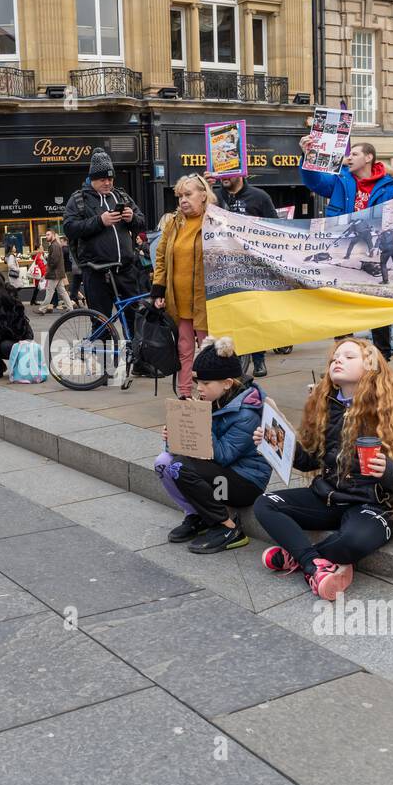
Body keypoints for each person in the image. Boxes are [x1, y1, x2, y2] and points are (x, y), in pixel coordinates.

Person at [254, 338, 393, 601]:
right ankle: (314, 564)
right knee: (265, 503)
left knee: (353, 541)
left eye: (349, 357)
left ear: (371, 366)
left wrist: (387, 470)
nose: (337, 360)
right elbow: (309, 461)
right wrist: (274, 444)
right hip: (329, 497)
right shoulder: (325, 404)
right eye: (335, 357)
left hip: (375, 505)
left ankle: (302, 557)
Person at [155, 337, 270, 554]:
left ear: (227, 383)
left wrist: (199, 423)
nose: (200, 389)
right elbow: (190, 450)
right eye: (198, 382)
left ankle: (228, 527)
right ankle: (196, 515)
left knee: (181, 467)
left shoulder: (247, 413)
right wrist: (175, 435)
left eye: (206, 384)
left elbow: (223, 455)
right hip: (219, 474)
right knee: (163, 462)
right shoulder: (215, 400)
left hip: (246, 484)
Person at [298, 139, 393, 358]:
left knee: (377, 304)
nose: (349, 158)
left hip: (372, 247)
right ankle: (342, 356)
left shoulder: (388, 188)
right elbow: (314, 182)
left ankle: (382, 360)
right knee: (342, 306)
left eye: (355, 154)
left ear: (369, 157)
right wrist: (308, 155)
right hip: (344, 249)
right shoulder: (340, 181)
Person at [152, 174, 217, 398]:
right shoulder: (174, 222)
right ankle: (184, 395)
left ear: (203, 195)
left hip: (205, 300)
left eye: (188, 194)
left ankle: (212, 395)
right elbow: (161, 256)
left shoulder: (214, 221)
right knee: (184, 348)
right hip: (178, 300)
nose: (183, 200)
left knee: (209, 351)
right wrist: (158, 288)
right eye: (180, 196)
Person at [62, 148, 147, 317]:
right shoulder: (79, 199)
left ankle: (133, 345)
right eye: (102, 179)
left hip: (125, 270)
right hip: (96, 273)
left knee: (135, 318)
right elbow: (69, 228)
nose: (107, 183)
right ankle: (102, 343)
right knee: (101, 321)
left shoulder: (121, 196)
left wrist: (132, 219)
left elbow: (142, 222)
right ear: (92, 179)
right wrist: (100, 221)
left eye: (110, 178)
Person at [209, 173, 278, 375]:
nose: (223, 176)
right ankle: (231, 360)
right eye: (219, 171)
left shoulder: (260, 197)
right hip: (222, 267)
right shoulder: (212, 196)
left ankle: (258, 359)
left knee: (253, 315)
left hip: (253, 267)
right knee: (229, 315)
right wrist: (205, 186)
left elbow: (274, 227)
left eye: (227, 171)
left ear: (241, 172)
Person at [38, 230, 73, 313]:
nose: (46, 236)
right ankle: (70, 308)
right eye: (46, 235)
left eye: (48, 234)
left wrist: (48, 270)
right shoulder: (55, 245)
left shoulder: (54, 245)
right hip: (58, 273)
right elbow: (54, 260)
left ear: (53, 235)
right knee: (62, 291)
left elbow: (54, 261)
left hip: (54, 273)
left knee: (50, 291)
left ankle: (42, 309)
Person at [29, 243, 48, 308]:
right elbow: (41, 265)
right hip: (40, 273)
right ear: (38, 249)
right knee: (39, 287)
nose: (43, 248)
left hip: (39, 273)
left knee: (37, 287)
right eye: (41, 247)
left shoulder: (41, 254)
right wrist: (44, 273)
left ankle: (33, 300)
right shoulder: (38, 255)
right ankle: (33, 300)